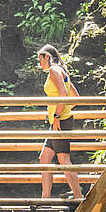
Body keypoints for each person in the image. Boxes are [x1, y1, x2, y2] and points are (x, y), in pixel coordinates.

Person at [37, 45, 81, 199]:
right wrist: (62, 112)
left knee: (63, 158)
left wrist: (57, 115)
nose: (40, 63)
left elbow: (63, 93)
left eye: (40, 59)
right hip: (59, 120)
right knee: (45, 157)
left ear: (47, 56)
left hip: (59, 121)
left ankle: (78, 196)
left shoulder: (54, 71)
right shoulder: (62, 70)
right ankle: (45, 198)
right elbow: (75, 96)